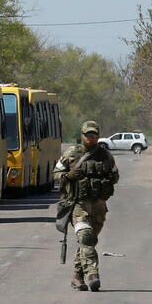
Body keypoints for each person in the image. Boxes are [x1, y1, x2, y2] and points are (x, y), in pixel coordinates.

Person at [54, 120, 118, 292]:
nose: (91, 138)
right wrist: (68, 175)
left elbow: (115, 176)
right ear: (82, 135)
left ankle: (77, 276)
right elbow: (56, 173)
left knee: (90, 241)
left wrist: (104, 180)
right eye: (88, 135)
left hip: (98, 206)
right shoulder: (71, 153)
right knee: (86, 237)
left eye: (94, 135)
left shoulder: (105, 156)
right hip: (78, 204)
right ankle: (92, 274)